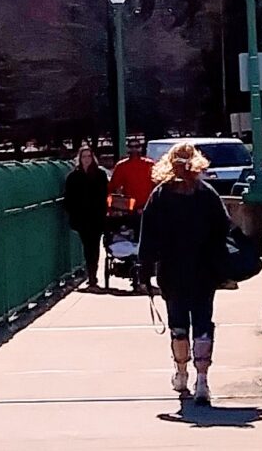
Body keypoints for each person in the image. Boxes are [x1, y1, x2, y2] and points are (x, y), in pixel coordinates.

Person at [136, 140, 231, 403]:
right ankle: (203, 380)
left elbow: (148, 238)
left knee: (178, 325)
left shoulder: (160, 195)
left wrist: (145, 271)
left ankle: (181, 374)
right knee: (203, 323)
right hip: (204, 270)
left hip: (172, 271)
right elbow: (225, 228)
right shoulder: (207, 193)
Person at [107, 135, 157, 291]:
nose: (134, 149)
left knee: (146, 243)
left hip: (146, 210)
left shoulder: (150, 165)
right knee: (136, 240)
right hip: (131, 211)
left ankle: (142, 277)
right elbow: (113, 188)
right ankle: (138, 275)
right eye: (132, 146)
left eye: (137, 146)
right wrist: (113, 208)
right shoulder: (123, 166)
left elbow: (156, 188)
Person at [59, 145, 111, 289]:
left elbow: (106, 195)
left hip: (97, 217)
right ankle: (91, 275)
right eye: (84, 156)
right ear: (79, 159)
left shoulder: (100, 175)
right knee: (88, 246)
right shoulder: (73, 176)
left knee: (94, 246)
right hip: (81, 218)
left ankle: (92, 275)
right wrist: (73, 213)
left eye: (89, 156)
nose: (86, 159)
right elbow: (68, 198)